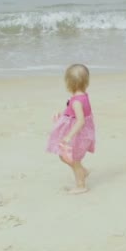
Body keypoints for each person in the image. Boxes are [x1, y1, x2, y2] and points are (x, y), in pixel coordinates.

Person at [47, 64, 96, 194]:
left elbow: (80, 121)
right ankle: (83, 171)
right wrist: (62, 116)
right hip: (79, 132)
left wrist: (68, 136)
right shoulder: (82, 96)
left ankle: (81, 185)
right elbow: (74, 114)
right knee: (66, 157)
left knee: (73, 160)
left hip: (77, 134)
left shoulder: (77, 101)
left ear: (69, 83)